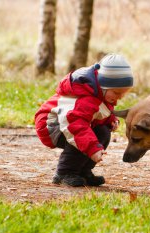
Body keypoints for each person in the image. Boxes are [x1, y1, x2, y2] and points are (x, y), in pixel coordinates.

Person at [35, 54, 133, 187]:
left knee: (103, 132)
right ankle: (64, 173)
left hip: (70, 122)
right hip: (52, 124)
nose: (119, 97)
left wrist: (109, 119)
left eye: (123, 94)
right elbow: (76, 126)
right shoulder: (85, 97)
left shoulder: (99, 92)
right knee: (82, 138)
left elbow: (97, 110)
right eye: (116, 93)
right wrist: (92, 149)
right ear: (103, 85)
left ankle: (83, 171)